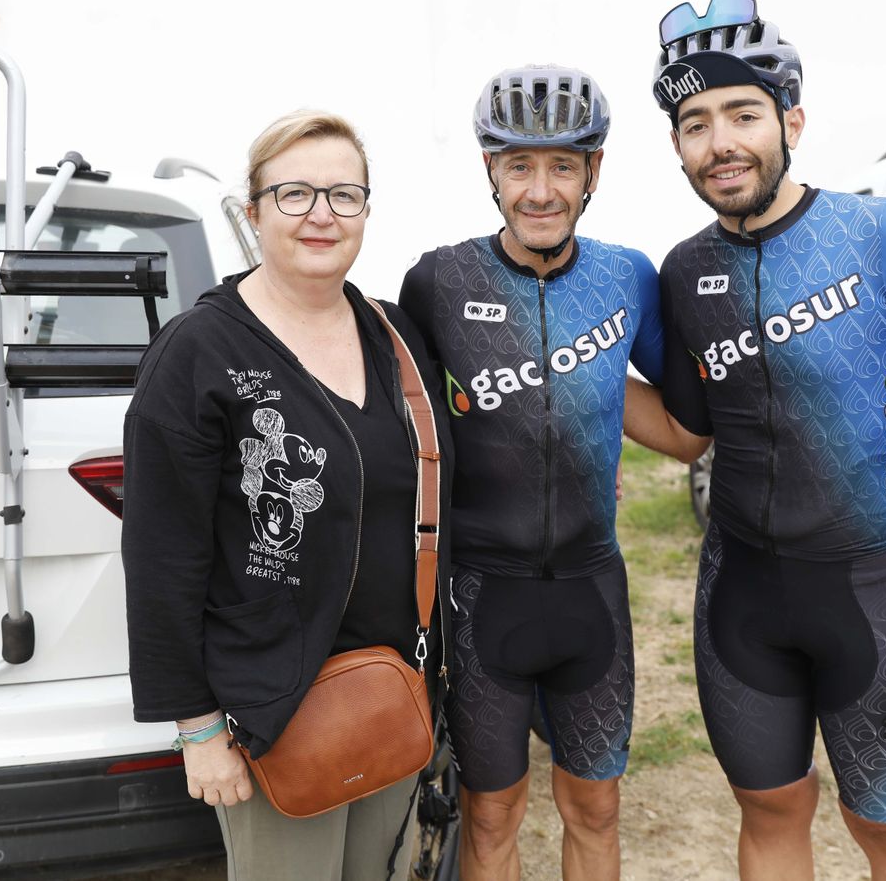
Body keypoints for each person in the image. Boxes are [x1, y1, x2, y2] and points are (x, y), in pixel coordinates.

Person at [622, 0, 886, 881]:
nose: (719, 140)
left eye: (742, 113)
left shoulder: (882, 236)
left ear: (790, 119)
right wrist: (583, 376)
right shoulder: (686, 271)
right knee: (770, 811)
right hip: (741, 599)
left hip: (877, 595)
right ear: (678, 146)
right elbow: (689, 434)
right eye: (695, 123)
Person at [122, 109, 453, 881]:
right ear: (254, 209)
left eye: (343, 194)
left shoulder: (393, 334)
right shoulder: (199, 351)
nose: (320, 215)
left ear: (367, 210)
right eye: (295, 193)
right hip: (269, 710)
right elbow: (162, 552)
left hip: (389, 689)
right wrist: (197, 727)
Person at [397, 65, 664, 881]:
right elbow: (404, 430)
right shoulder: (438, 281)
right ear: (490, 171)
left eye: (562, 165)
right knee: (491, 814)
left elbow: (685, 416)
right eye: (520, 165)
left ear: (594, 172)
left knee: (595, 808)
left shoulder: (628, 277)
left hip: (591, 594)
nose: (540, 189)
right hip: (484, 600)